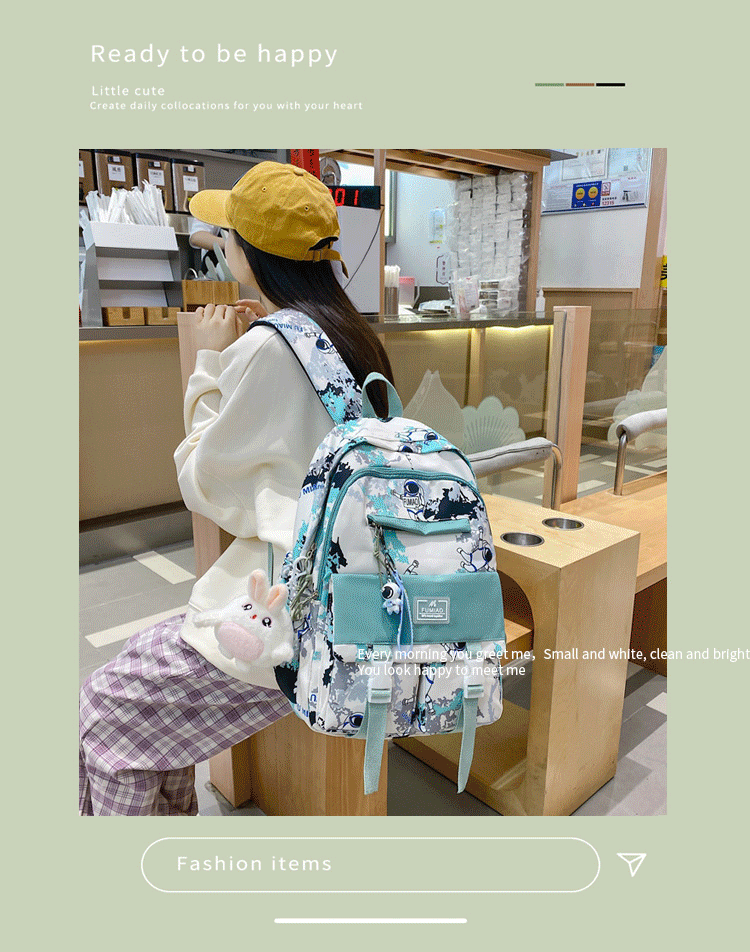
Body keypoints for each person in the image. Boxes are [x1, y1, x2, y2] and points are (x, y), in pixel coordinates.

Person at [79, 162, 394, 815]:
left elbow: (202, 482)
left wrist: (207, 362)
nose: (221, 246)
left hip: (281, 619)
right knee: (135, 695)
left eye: (226, 236)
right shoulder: (351, 336)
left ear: (249, 252)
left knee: (103, 721)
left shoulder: (269, 349)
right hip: (343, 603)